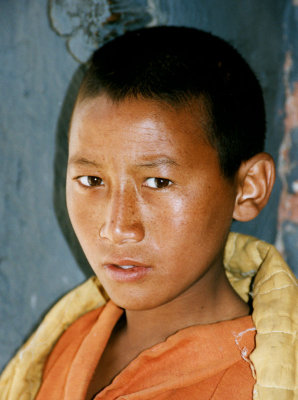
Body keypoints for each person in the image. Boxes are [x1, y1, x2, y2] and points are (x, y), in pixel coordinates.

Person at [0, 26, 297, 400]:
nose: (117, 228)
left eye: (157, 182)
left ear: (248, 187)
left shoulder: (252, 383)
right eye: (92, 180)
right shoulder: (68, 341)